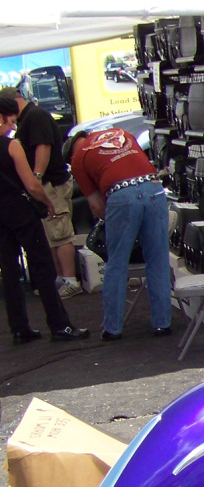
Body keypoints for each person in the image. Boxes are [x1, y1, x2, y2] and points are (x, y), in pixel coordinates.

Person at [0, 94, 89, 344]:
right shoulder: (12, 146)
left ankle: (19, 328)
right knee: (42, 266)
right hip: (22, 213)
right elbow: (31, 184)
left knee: (9, 271)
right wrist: (46, 202)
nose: (12, 125)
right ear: (5, 117)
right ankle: (59, 325)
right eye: (10, 120)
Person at [68, 127, 171, 340]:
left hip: (121, 195)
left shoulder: (78, 159)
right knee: (158, 260)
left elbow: (96, 205)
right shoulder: (120, 132)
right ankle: (162, 324)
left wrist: (115, 223)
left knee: (116, 264)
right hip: (153, 187)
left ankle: (113, 329)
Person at [8, 85, 80, 297]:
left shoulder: (35, 116)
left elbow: (43, 146)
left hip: (51, 183)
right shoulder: (28, 118)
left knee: (60, 232)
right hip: (46, 183)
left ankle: (70, 280)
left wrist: (36, 177)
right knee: (51, 234)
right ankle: (59, 279)